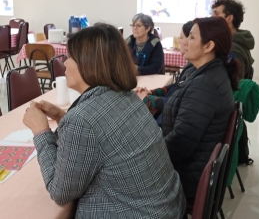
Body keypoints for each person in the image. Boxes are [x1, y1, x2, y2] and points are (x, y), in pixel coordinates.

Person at [23, 24, 186, 219]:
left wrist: (41, 132)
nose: (65, 64)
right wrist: (61, 117)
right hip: (167, 208)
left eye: (70, 58)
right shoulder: (126, 96)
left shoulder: (83, 120)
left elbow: (60, 192)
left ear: (88, 64)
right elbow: (103, 135)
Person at [161, 16, 240, 203]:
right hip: (189, 168)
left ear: (208, 46)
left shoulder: (205, 85)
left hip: (185, 178)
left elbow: (181, 142)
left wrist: (146, 157)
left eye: (192, 37)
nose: (184, 41)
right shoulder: (207, 73)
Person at [135, 21, 195, 125]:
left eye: (138, 26)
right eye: (133, 25)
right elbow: (176, 87)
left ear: (147, 28)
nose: (134, 28)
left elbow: (175, 105)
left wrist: (147, 98)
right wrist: (151, 93)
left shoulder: (154, 43)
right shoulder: (130, 41)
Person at [211, 0, 255, 79]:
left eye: (216, 14)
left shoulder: (233, 50)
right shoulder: (230, 43)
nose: (211, 17)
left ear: (229, 18)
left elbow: (235, 86)